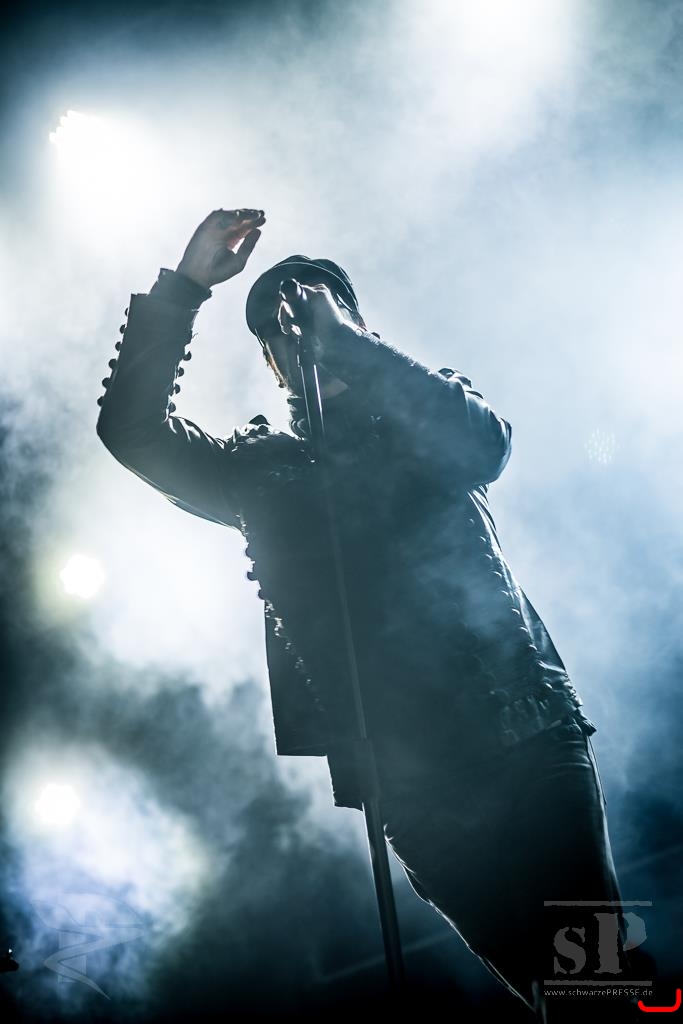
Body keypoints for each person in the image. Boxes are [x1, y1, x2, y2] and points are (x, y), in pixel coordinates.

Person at [96, 208, 646, 1020]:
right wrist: (183, 288)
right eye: (278, 330)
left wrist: (347, 344)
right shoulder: (260, 476)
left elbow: (485, 446)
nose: (298, 329)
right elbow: (133, 432)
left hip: (525, 738)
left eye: (317, 308)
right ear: (271, 364)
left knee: (592, 976)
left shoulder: (427, 421)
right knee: (544, 987)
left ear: (358, 325)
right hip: (410, 781)